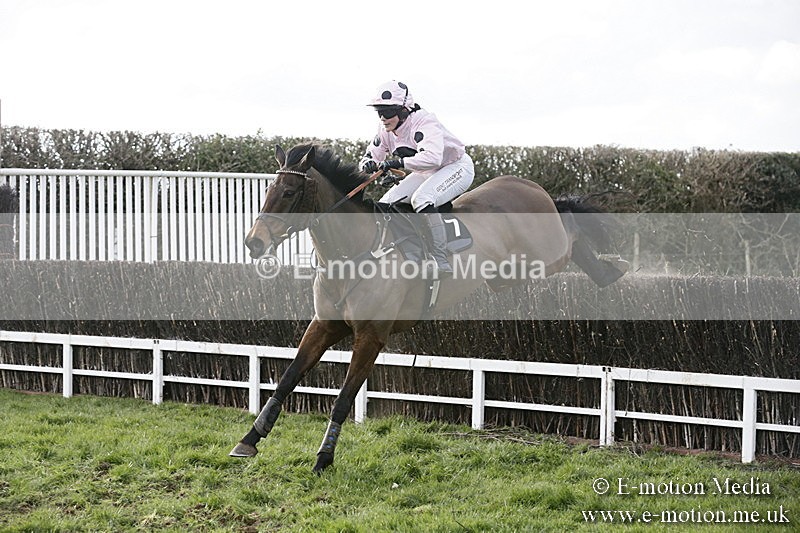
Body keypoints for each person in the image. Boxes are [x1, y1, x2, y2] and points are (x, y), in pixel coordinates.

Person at [359, 80, 474, 274]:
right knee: (385, 203)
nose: (383, 118)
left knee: (422, 199)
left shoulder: (424, 121)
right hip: (426, 172)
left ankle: (440, 260)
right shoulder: (385, 130)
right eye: (379, 112)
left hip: (456, 167)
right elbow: (370, 155)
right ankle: (411, 251)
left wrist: (397, 163)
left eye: (387, 112)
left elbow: (433, 157)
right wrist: (366, 164)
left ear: (403, 110)